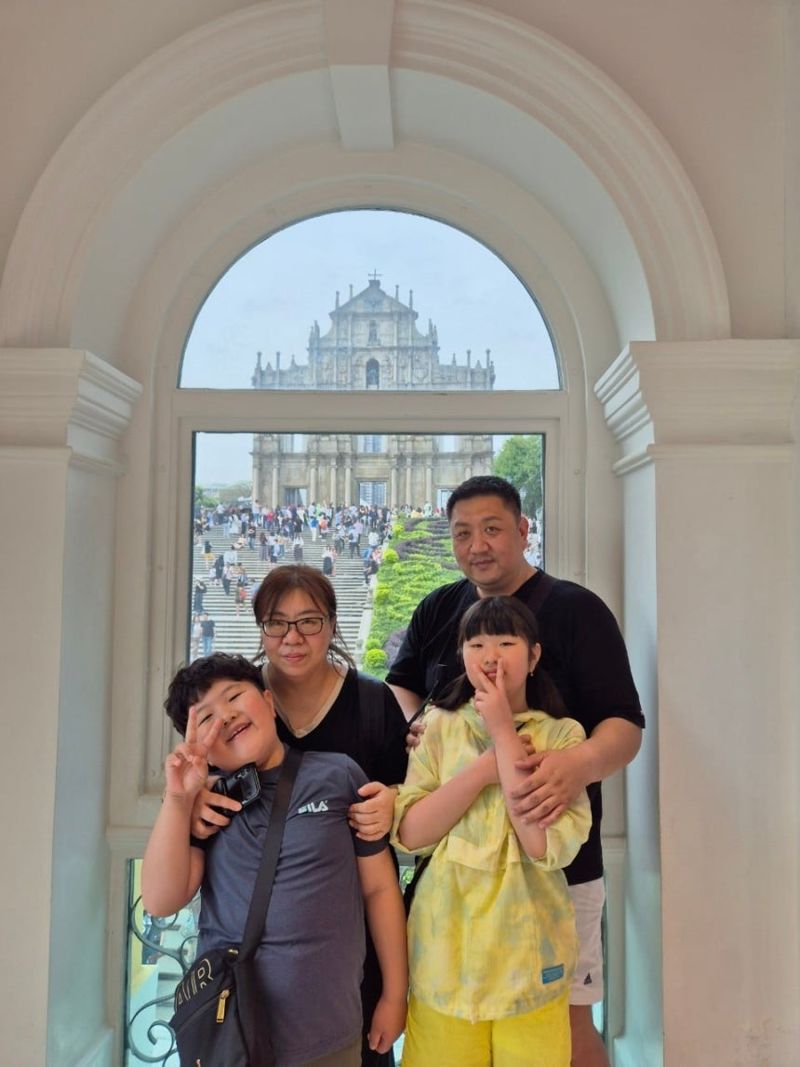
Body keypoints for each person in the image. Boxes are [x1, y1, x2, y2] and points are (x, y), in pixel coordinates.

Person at [386, 475, 644, 1067]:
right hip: (458, 882)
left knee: (566, 1029)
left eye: (492, 529)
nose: (477, 545)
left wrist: (575, 764)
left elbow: (625, 724)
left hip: (557, 862)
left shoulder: (577, 610)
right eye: (463, 533)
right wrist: (418, 726)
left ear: (524, 530)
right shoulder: (441, 608)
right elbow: (401, 684)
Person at [142, 654, 407, 1067]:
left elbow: (378, 888)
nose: (226, 716)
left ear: (268, 702)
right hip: (231, 1038)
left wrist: (394, 994)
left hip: (329, 1034)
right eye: (206, 717)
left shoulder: (338, 776)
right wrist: (179, 799)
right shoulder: (207, 805)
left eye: (234, 697)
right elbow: (160, 901)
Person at [192, 566, 410, 1067]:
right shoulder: (236, 704)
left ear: (331, 624)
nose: (292, 638)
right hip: (245, 953)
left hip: (349, 943)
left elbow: (411, 788)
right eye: (277, 623)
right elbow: (193, 770)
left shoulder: (371, 702)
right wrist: (192, 799)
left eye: (309, 621)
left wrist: (396, 798)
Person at [395, 597, 591, 1066]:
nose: (490, 656)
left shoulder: (562, 736)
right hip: (445, 959)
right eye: (476, 644)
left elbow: (542, 845)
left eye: (506, 643)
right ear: (461, 654)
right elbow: (412, 833)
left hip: (531, 961)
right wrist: (483, 771)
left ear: (534, 655)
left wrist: (503, 731)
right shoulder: (438, 726)